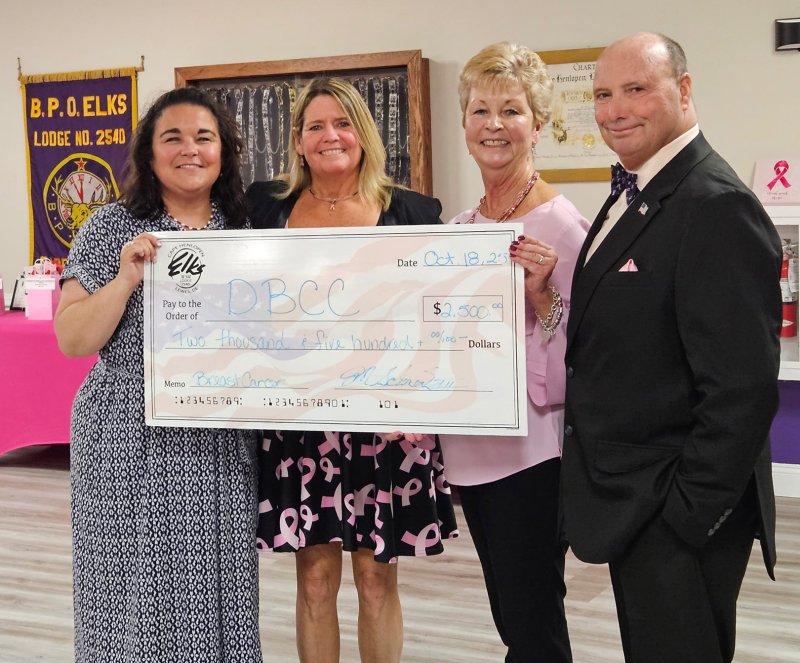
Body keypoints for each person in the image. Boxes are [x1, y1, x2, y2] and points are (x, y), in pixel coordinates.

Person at [561, 32, 781, 663]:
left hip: (673, 512)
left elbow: (741, 389)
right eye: (602, 94)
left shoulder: (715, 204)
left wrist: (686, 517)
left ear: (683, 91)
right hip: (635, 502)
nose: (614, 109)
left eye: (636, 89)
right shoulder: (640, 189)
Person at [246, 77, 458, 663]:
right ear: (297, 141)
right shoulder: (265, 208)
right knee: (314, 581)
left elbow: (438, 316)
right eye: (315, 126)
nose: (329, 136)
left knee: (374, 580)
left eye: (342, 123)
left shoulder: (412, 210)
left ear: (363, 135)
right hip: (299, 422)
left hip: (385, 422)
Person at [54, 87, 262, 662]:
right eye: (172, 138)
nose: (189, 150)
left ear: (224, 153)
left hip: (216, 441)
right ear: (149, 154)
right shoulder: (109, 227)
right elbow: (72, 339)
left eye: (204, 138)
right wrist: (124, 280)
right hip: (126, 438)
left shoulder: (247, 237)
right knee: (130, 595)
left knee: (214, 588)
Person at [438, 42, 589, 662]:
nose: (493, 124)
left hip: (531, 453)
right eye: (480, 110)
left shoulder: (562, 225)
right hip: (469, 449)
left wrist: (545, 295)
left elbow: (584, 347)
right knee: (510, 614)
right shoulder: (458, 230)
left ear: (539, 124)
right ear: (465, 124)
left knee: (533, 619)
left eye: (511, 110)